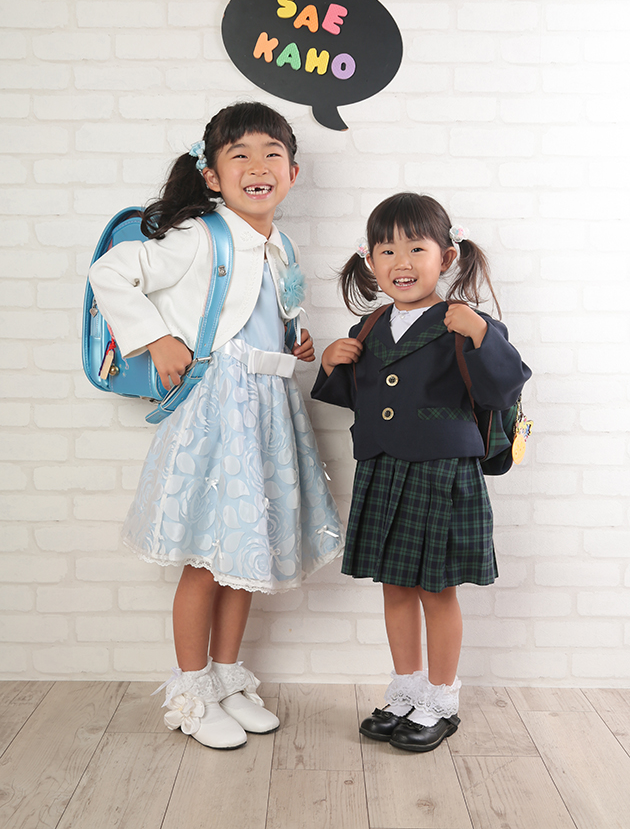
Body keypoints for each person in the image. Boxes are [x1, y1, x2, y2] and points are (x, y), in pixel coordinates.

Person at [89, 102, 343, 750]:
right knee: (207, 558)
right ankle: (190, 688)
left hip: (268, 408)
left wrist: (295, 341)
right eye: (240, 155)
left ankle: (227, 676)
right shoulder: (202, 235)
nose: (258, 167)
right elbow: (110, 271)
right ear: (212, 175)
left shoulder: (281, 245)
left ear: (293, 171)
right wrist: (155, 338)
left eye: (271, 154)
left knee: (243, 553)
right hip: (218, 412)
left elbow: (264, 312)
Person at [311, 192, 531, 753]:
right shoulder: (371, 324)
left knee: (437, 591)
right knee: (395, 588)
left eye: (416, 248)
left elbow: (505, 384)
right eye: (386, 251)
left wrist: (481, 334)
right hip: (383, 468)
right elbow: (364, 396)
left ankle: (441, 698)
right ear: (370, 261)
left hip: (443, 474)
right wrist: (333, 363)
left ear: (446, 256)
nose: (401, 262)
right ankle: (405, 690)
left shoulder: (463, 321)